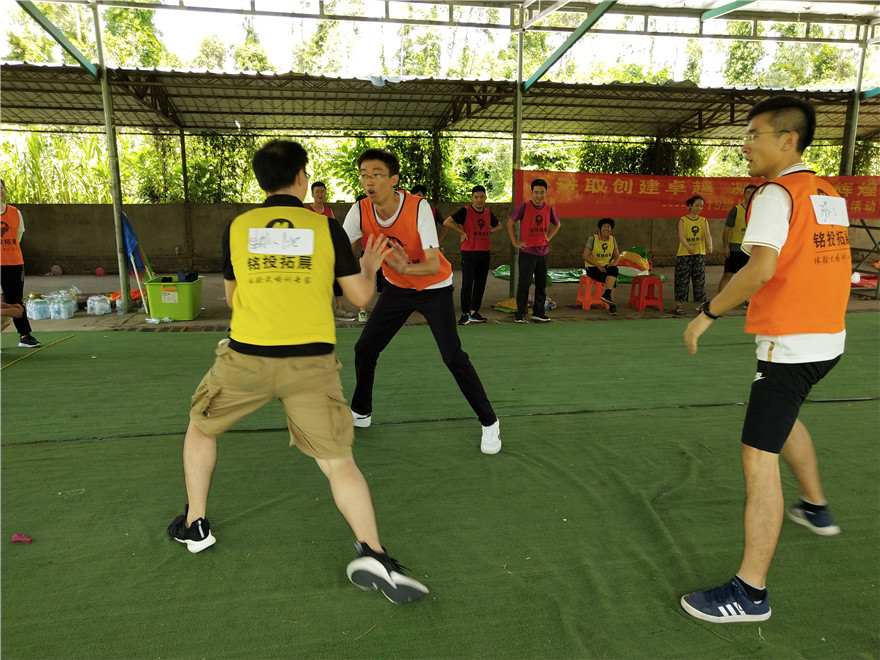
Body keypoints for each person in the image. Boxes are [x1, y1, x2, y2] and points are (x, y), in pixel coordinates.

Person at [166, 140, 428, 604]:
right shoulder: (326, 228)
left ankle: (196, 524)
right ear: (302, 178)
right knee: (338, 461)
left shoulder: (238, 227)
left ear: (262, 181)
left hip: (246, 358)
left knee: (200, 427)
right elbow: (359, 298)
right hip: (311, 364)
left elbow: (232, 299)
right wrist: (369, 265)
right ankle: (374, 554)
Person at [680, 96, 850, 623]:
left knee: (758, 457)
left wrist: (706, 314)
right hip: (829, 340)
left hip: (791, 345)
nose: (745, 145)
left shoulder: (776, 194)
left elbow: (760, 269)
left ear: (788, 140)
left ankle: (750, 593)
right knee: (785, 415)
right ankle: (816, 507)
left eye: (755, 134)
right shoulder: (827, 192)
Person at [342, 148, 501, 455]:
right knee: (365, 348)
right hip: (397, 289)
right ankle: (361, 411)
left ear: (394, 179)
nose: (369, 181)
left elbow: (432, 263)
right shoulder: (360, 211)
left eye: (376, 175)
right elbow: (335, 245)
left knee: (453, 356)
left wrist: (403, 267)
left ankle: (489, 422)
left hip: (434, 287)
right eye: (364, 175)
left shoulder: (418, 208)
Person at [442, 185, 502, 325]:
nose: (479, 200)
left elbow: (499, 225)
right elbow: (447, 222)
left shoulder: (487, 213)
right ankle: (465, 313)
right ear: (472, 198)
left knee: (480, 283)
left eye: (481, 197)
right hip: (469, 252)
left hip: (484, 252)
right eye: (476, 197)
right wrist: (462, 232)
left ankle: (475, 311)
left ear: (485, 198)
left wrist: (490, 232)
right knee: (467, 283)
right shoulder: (465, 211)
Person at [507, 178, 561, 323]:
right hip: (528, 252)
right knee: (524, 284)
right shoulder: (524, 206)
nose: (539, 196)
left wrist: (548, 237)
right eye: (536, 192)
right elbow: (510, 223)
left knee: (541, 284)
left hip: (543, 252)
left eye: (542, 192)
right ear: (531, 192)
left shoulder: (549, 208)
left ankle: (538, 312)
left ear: (546, 193)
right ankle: (520, 313)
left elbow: (557, 224)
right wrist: (515, 242)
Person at [0, 179, 40, 348]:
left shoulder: (15, 212)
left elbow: (18, 236)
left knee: (15, 300)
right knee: (4, 306)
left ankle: (25, 335)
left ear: (5, 190)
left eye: (1, 187)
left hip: (13, 262)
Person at [309, 181, 355, 322]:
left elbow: (336, 231)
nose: (320, 194)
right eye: (317, 192)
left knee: (336, 278)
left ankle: (339, 308)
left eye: (322, 191)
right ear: (312, 194)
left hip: (330, 250)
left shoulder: (329, 210)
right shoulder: (307, 211)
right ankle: (317, 309)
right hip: (314, 253)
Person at [673, 195, 713, 316]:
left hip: (699, 254)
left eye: (701, 206)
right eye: (697, 205)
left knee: (699, 280)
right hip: (684, 255)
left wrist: (710, 245)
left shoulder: (703, 220)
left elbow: (707, 235)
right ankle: (679, 305)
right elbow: (682, 236)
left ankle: (702, 305)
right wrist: (688, 247)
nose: (699, 208)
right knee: (682, 280)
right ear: (690, 206)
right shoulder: (683, 220)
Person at [718, 184, 758, 294]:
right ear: (744, 195)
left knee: (749, 274)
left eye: (752, 193)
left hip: (751, 247)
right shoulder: (736, 210)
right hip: (736, 247)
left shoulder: (758, 210)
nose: (750, 195)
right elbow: (726, 229)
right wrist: (726, 246)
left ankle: (747, 299)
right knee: (728, 274)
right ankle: (719, 298)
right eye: (748, 193)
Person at [582, 218, 620, 315]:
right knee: (612, 278)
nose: (606, 229)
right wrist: (598, 265)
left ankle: (607, 295)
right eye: (604, 227)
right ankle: (612, 306)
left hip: (605, 266)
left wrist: (613, 265)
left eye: (608, 227)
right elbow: (585, 256)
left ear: (611, 229)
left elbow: (617, 256)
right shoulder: (593, 239)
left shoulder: (612, 239)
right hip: (592, 267)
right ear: (600, 228)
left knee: (614, 270)